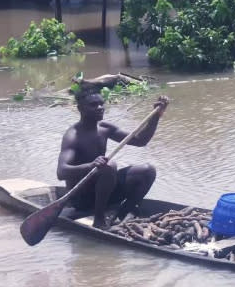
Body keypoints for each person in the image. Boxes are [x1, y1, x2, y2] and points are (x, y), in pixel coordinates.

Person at [57, 92, 169, 229]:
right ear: (81, 108)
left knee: (147, 170)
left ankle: (121, 214)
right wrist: (91, 166)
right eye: (93, 105)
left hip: (105, 191)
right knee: (109, 166)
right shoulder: (73, 135)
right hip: (82, 198)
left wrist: (156, 116)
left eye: (101, 103)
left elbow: (140, 140)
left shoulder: (104, 128)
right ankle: (99, 220)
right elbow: (61, 172)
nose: (100, 107)